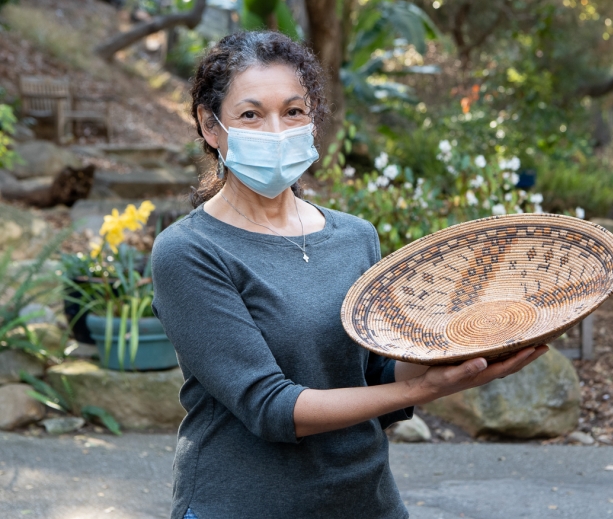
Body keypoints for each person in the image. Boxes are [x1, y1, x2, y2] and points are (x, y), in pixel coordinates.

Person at [150, 31, 549, 519]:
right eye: (251, 114)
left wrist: (461, 355)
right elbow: (270, 408)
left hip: (365, 499)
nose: (277, 131)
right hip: (242, 504)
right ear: (211, 127)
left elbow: (373, 371)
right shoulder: (190, 251)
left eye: (293, 112)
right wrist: (420, 392)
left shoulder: (355, 236)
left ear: (313, 119)